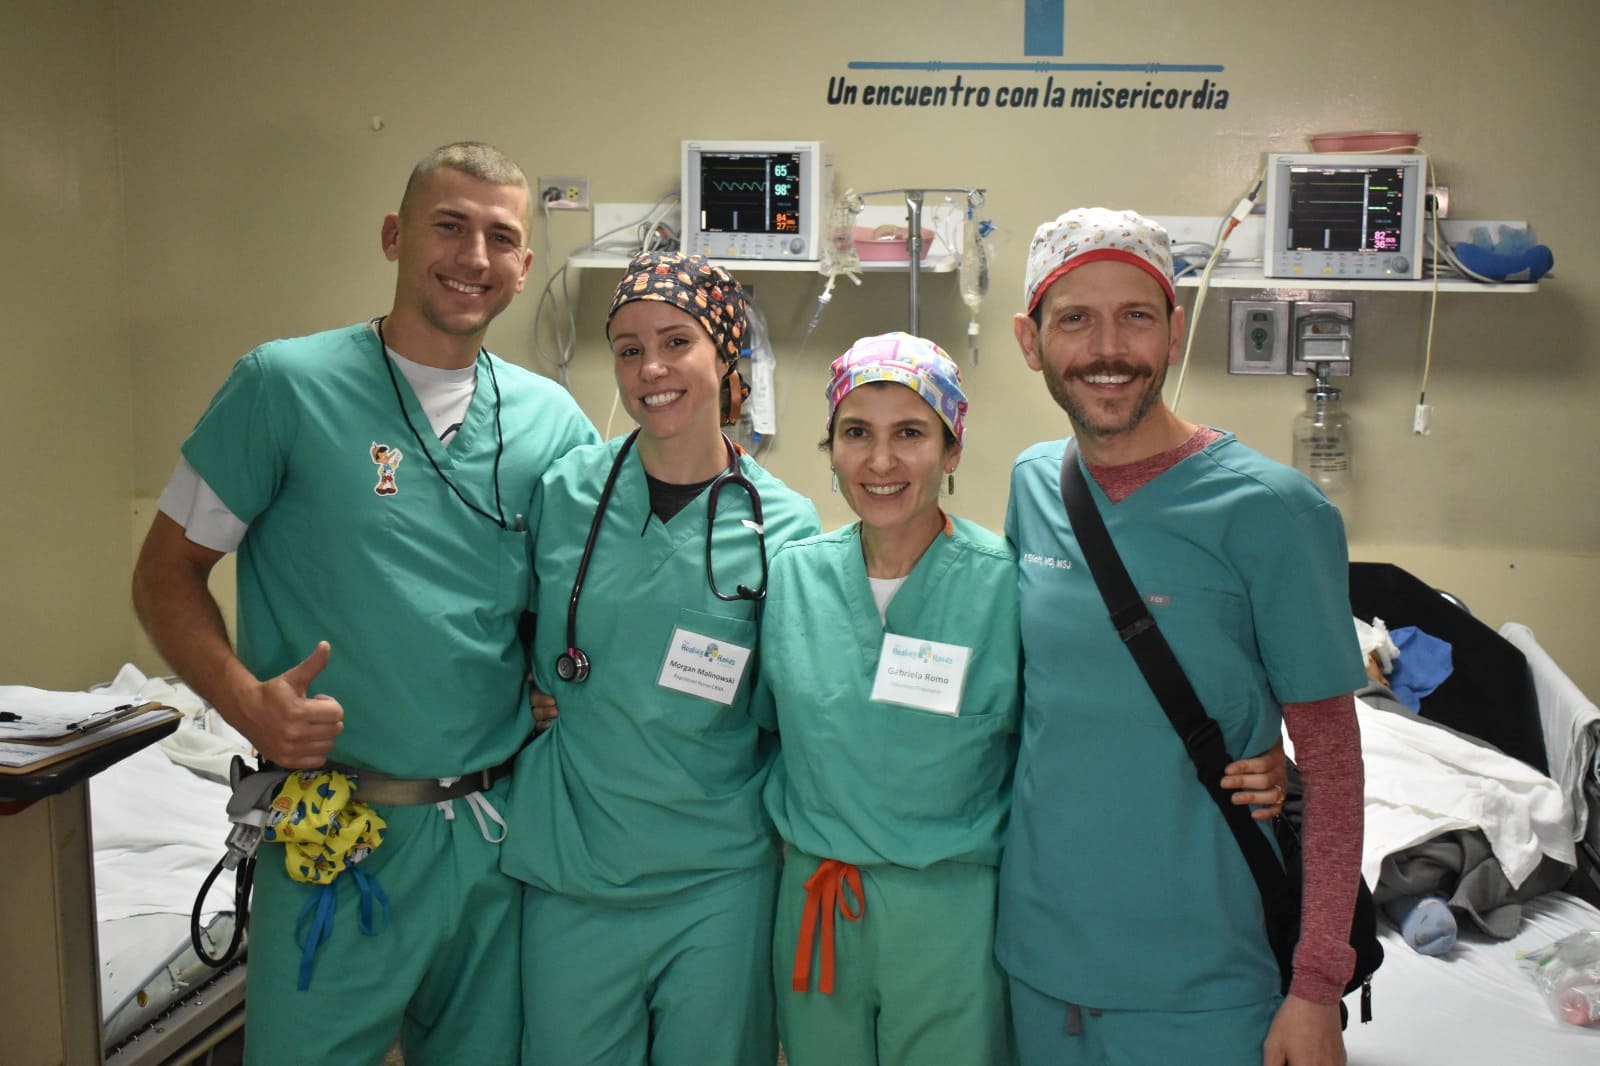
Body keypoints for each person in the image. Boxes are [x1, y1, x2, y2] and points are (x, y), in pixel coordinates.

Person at [131, 142, 598, 1063]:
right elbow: (163, 575)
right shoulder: (283, 387)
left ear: (524, 267)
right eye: (449, 226)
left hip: (493, 837)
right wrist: (244, 700)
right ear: (394, 236)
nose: (473, 257)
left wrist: (554, 682)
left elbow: (574, 593)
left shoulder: (553, 422)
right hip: (335, 831)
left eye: (500, 238)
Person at [999, 207, 1368, 1066]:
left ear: (1173, 331)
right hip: (1039, 962)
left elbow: (1333, 758)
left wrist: (1317, 987)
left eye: (1135, 315)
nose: (1107, 348)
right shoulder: (1032, 487)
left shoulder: (1274, 512)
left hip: (1206, 979)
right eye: (1074, 319)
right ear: (1030, 340)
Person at [499, 251, 822, 1066]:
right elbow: (501, 625)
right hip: (577, 867)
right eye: (630, 347)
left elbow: (799, 705)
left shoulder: (784, 527)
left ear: (725, 353)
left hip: (719, 877)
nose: (652, 369)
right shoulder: (565, 492)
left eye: (676, 342)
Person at [757, 333, 1019, 1064]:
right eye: (856, 433)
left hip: (951, 914)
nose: (879, 462)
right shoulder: (793, 580)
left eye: (910, 433)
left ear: (953, 448)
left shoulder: (1005, 587)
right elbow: (757, 728)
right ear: (831, 447)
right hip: (817, 905)